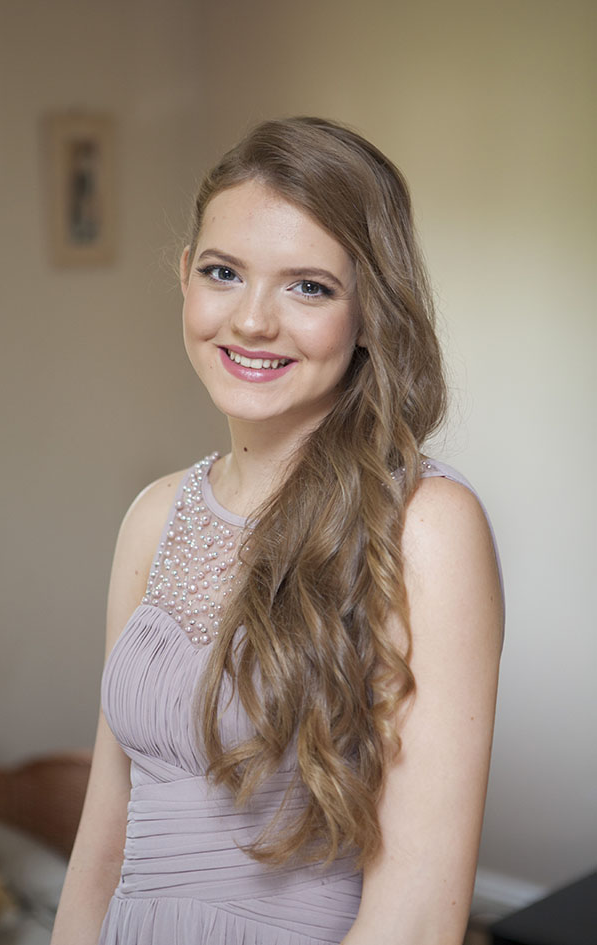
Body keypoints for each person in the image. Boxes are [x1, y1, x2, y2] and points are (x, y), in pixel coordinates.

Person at [51, 116, 504, 945]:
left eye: (309, 287)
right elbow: (102, 840)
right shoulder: (155, 516)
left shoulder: (428, 527)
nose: (253, 321)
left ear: (370, 311)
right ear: (186, 277)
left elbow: (417, 913)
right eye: (224, 272)